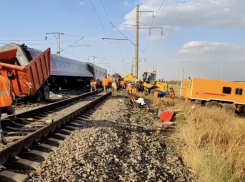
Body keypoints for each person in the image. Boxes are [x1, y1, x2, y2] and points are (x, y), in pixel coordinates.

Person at [0, 69, 17, 144]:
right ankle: (13, 120)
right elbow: (10, 91)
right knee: (11, 112)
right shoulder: (7, 80)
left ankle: (1, 136)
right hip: (7, 102)